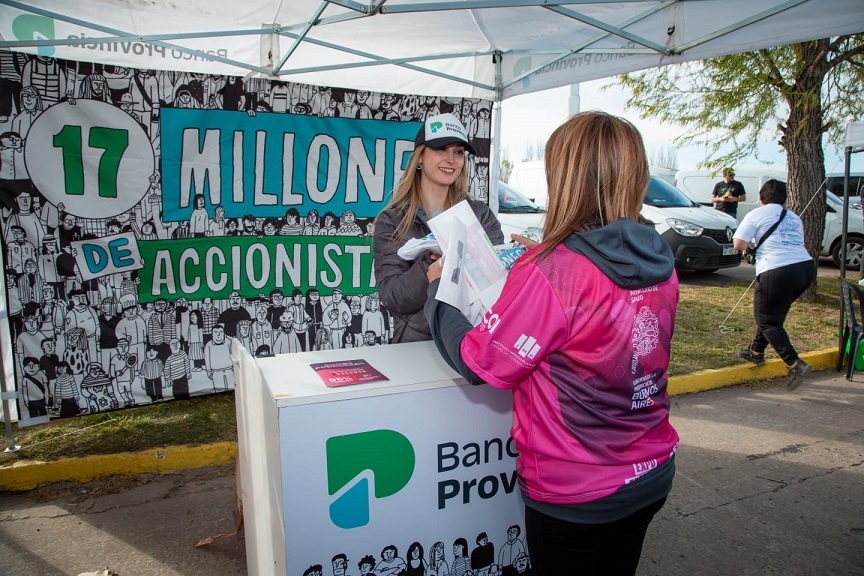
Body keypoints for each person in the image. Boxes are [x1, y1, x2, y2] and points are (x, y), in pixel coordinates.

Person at [424, 111, 679, 576]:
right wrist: (541, 263)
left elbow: (482, 362)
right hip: (651, 471)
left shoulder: (554, 270)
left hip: (576, 491)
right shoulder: (658, 255)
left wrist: (440, 293)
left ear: (565, 177)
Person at [373, 112, 503, 343]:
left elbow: (499, 282)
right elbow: (393, 297)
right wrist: (430, 266)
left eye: (458, 152)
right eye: (441, 149)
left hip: (474, 342)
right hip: (417, 346)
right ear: (420, 157)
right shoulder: (392, 220)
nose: (451, 159)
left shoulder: (480, 214)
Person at [733, 179, 815, 389]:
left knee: (768, 320)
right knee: (771, 315)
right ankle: (756, 352)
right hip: (805, 269)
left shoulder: (756, 214)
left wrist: (751, 245)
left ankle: (795, 363)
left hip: (777, 269)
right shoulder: (793, 217)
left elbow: (739, 243)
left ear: (761, 196)